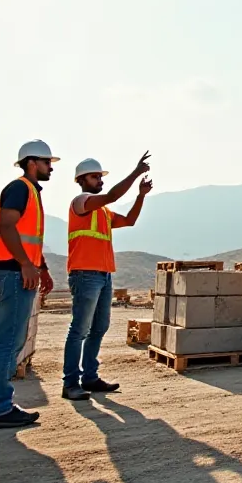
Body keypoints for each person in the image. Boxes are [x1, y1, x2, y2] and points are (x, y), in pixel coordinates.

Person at [0, 139, 57, 430]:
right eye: (48, 163)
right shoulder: (20, 188)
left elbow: (25, 235)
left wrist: (41, 267)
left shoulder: (30, 192)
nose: (51, 168)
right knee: (8, 341)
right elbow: (6, 227)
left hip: (11, 271)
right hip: (12, 273)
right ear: (32, 163)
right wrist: (25, 264)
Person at [62, 153, 152, 400]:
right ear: (81, 180)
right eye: (95, 176)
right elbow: (112, 195)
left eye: (101, 176)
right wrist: (135, 172)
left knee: (99, 327)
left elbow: (130, 221)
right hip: (85, 274)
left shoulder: (103, 212)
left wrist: (141, 196)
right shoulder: (81, 201)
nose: (99, 180)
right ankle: (70, 383)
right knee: (79, 329)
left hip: (103, 275)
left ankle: (89, 377)